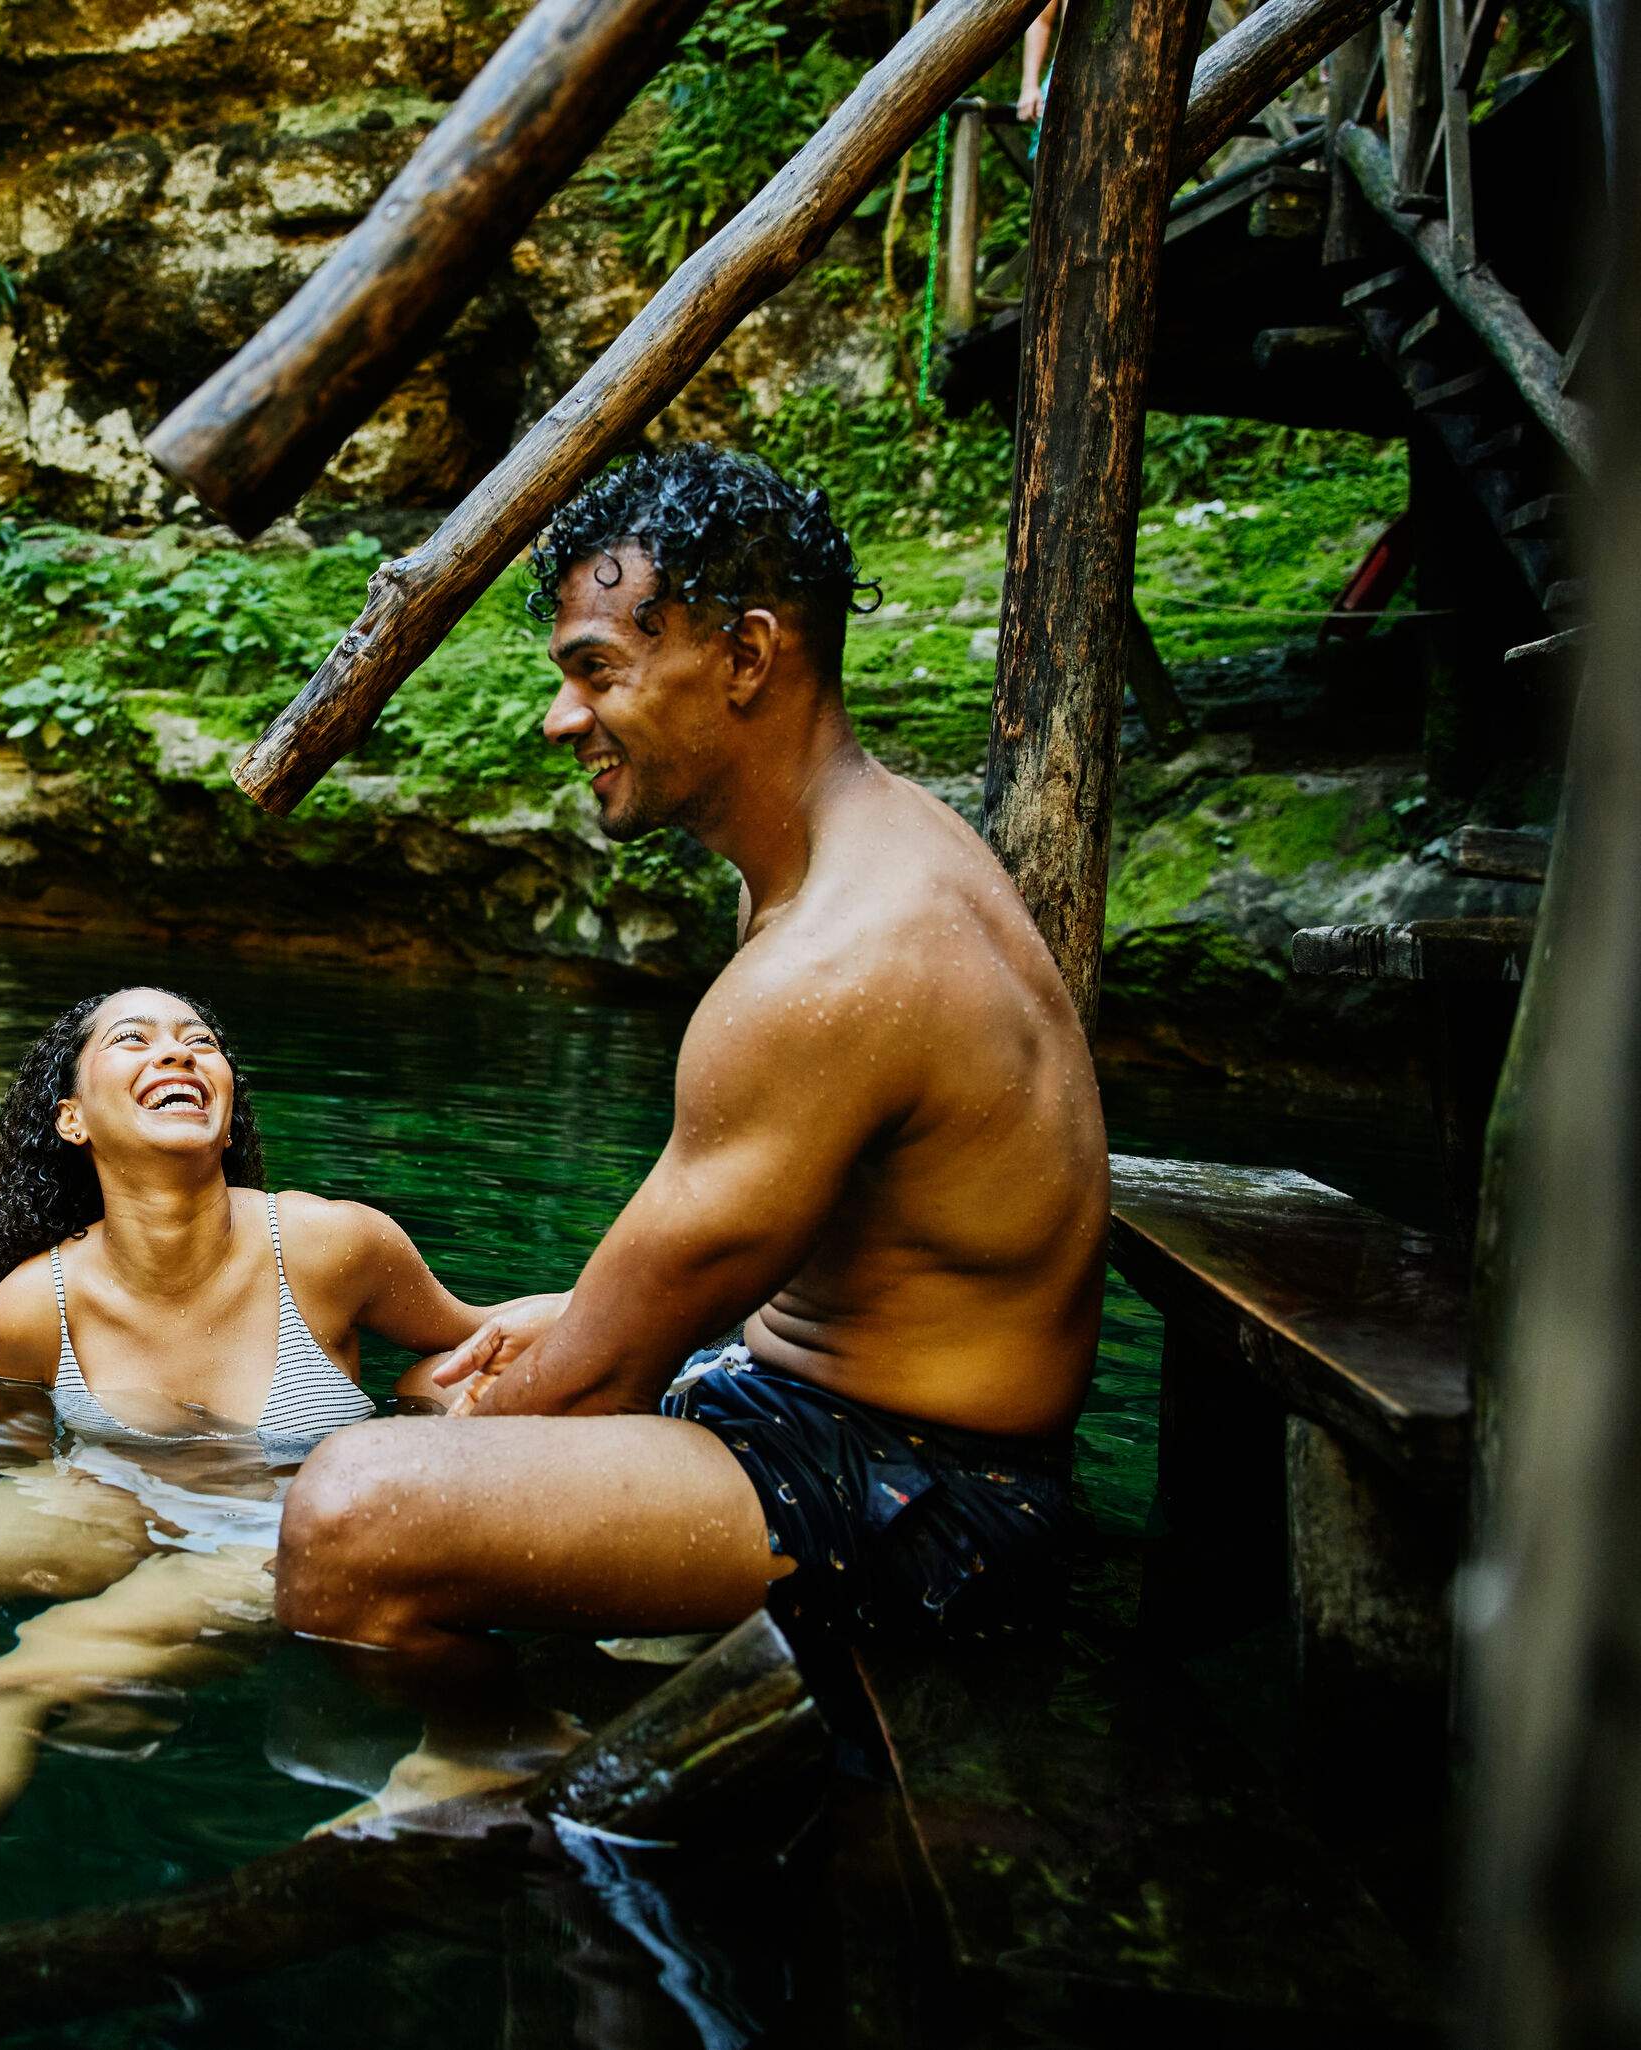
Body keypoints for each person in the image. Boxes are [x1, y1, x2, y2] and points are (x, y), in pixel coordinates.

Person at [272, 444, 1109, 1748]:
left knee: (350, 1516)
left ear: (748, 657)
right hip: (832, 1410)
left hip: (937, 1501)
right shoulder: (850, 851)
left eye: (596, 669)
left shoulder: (840, 958)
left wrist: (486, 1412)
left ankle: (531, 1808)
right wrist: (528, 1356)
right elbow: (739, 1272)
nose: (562, 718)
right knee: (479, 1361)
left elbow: (602, 1372)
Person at [0, 985, 501, 2016]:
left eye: (203, 1039)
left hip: (282, 1528)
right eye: (136, 1038)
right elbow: (7, 1466)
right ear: (71, 1117)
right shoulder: (27, 1311)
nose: (181, 1052)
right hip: (109, 1503)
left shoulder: (330, 1245)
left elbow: (475, 1338)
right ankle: (94, 1661)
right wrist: (65, 1587)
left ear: (229, 1101)